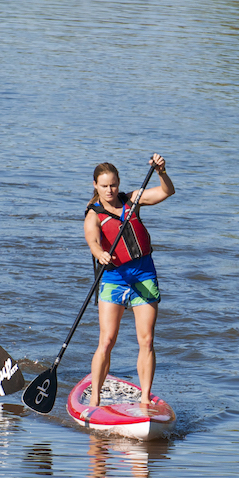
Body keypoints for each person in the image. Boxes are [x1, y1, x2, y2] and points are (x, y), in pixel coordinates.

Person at [84, 154, 176, 406]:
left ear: (119, 183)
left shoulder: (132, 200)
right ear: (95, 185)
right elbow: (92, 240)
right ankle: (94, 398)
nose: (110, 190)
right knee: (107, 340)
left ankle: (145, 399)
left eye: (113, 184)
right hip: (115, 279)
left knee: (146, 340)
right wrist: (100, 253)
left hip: (144, 276)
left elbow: (167, 192)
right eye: (104, 186)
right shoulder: (94, 214)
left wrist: (161, 172)